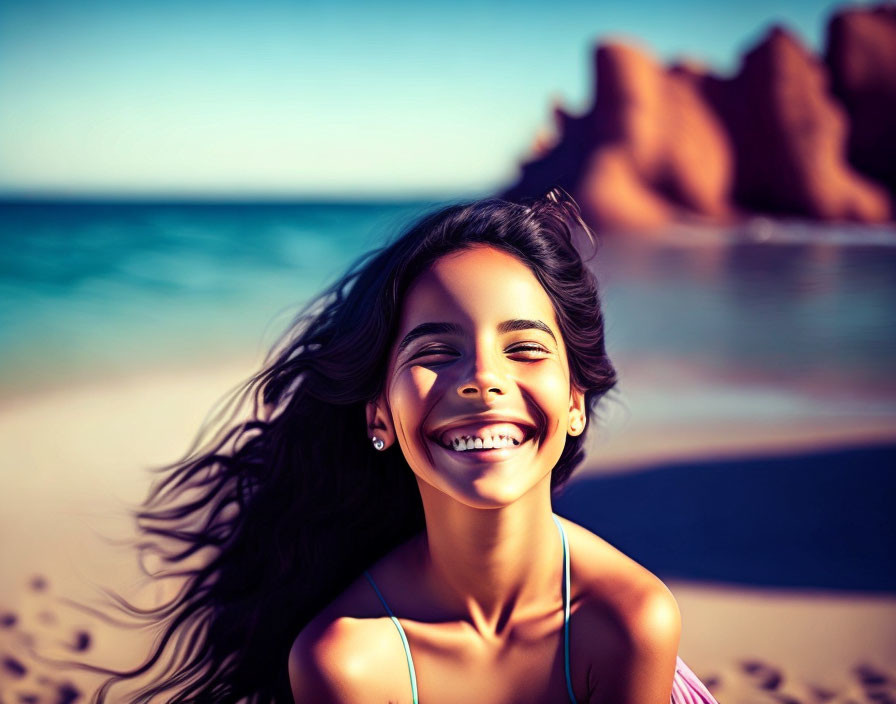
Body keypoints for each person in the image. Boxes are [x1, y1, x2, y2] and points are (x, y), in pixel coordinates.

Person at [91, 190, 718, 703]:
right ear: (380, 416)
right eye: (434, 351)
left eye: (525, 348)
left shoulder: (628, 619)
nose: (483, 377)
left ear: (575, 403)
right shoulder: (348, 660)